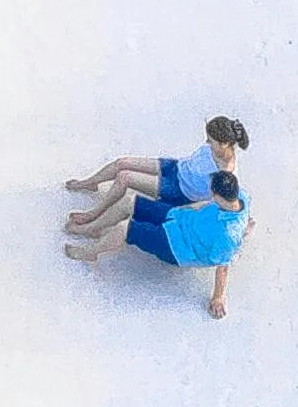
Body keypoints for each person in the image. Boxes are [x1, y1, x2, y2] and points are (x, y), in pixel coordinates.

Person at [61, 115, 251, 314]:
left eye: (210, 141)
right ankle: (91, 217)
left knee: (125, 206)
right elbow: (240, 213)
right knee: (123, 168)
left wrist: (218, 297)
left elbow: (223, 263)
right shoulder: (241, 198)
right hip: (178, 195)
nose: (206, 143)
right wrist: (245, 225)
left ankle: (91, 250)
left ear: (225, 143)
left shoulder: (226, 186)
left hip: (178, 229)